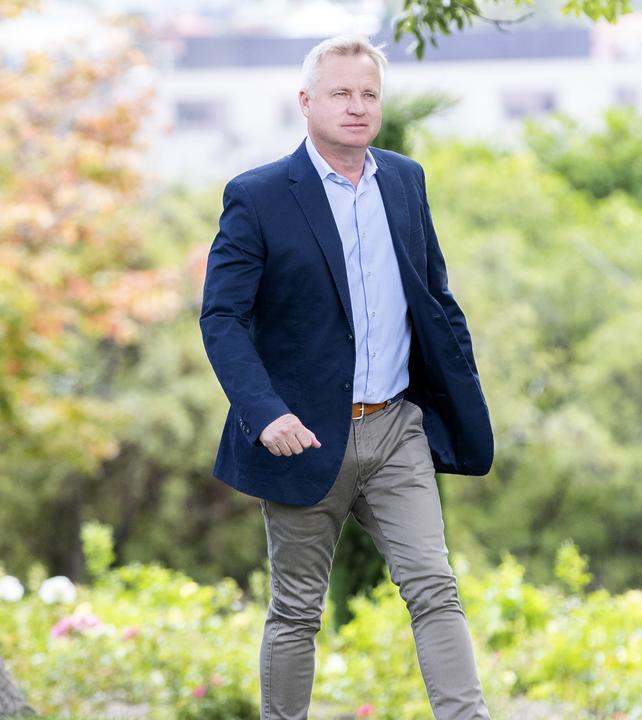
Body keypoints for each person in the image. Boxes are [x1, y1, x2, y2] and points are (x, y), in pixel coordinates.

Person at [199, 33, 494, 720]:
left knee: (434, 587)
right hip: (302, 436)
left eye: (368, 94)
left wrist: (458, 386)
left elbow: (435, 295)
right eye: (340, 93)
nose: (357, 107)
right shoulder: (258, 196)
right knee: (297, 610)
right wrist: (264, 412)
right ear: (306, 102)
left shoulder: (405, 180)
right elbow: (222, 318)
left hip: (395, 428)